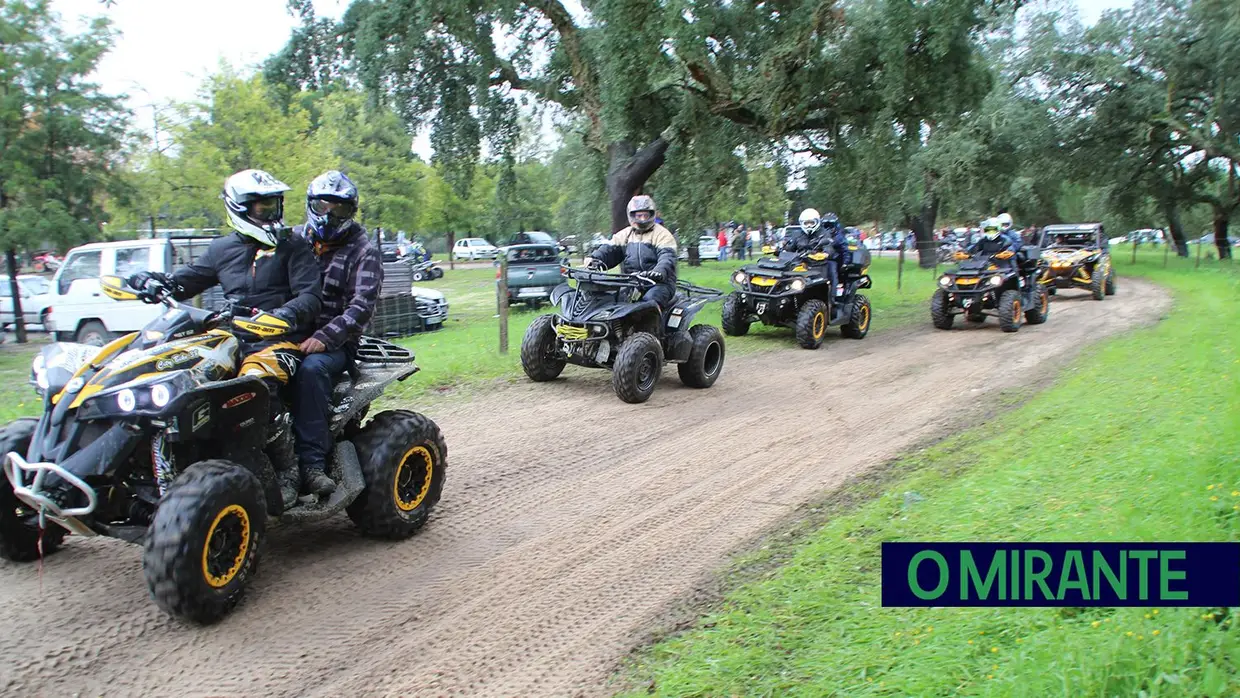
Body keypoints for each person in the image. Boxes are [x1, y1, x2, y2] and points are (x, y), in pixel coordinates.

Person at [129, 169, 322, 506]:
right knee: (182, 377)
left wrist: (281, 316)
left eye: (275, 205)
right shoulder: (221, 249)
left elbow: (309, 296)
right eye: (262, 208)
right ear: (239, 208)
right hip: (232, 337)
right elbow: (186, 281)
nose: (272, 214)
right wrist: (153, 281)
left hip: (281, 341)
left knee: (254, 384)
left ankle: (288, 469)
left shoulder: (294, 245)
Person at [291, 170, 383, 498]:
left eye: (339, 209)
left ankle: (311, 465)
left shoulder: (363, 251)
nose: (329, 215)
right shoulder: (294, 239)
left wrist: (325, 337)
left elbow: (361, 308)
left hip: (337, 343)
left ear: (351, 212)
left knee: (311, 370)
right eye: (322, 206)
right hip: (286, 331)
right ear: (310, 205)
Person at [583, 195, 678, 308]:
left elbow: (667, 257)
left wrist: (658, 271)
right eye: (639, 215)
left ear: (652, 214)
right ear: (632, 215)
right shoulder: (625, 235)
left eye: (645, 215)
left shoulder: (662, 234)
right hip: (631, 282)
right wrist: (594, 259)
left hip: (659, 284)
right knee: (609, 302)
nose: (642, 219)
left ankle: (650, 326)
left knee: (647, 305)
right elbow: (609, 250)